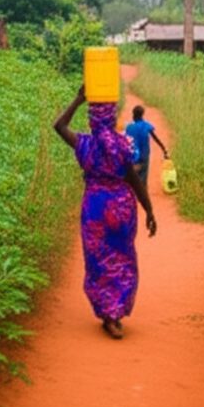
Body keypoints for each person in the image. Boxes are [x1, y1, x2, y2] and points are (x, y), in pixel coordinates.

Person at [54, 86, 157, 340]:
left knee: (99, 261)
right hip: (122, 209)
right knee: (122, 258)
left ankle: (107, 313)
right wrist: (149, 210)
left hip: (95, 210)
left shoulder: (85, 144)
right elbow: (135, 180)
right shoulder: (123, 147)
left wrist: (79, 98)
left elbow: (59, 126)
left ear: (91, 120)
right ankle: (115, 315)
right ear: (112, 118)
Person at [124, 105, 168, 187]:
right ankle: (142, 194)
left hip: (132, 155)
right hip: (144, 155)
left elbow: (125, 141)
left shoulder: (129, 127)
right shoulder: (146, 125)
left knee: (133, 175)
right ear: (142, 115)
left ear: (133, 115)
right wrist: (163, 148)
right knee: (143, 177)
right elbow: (156, 138)